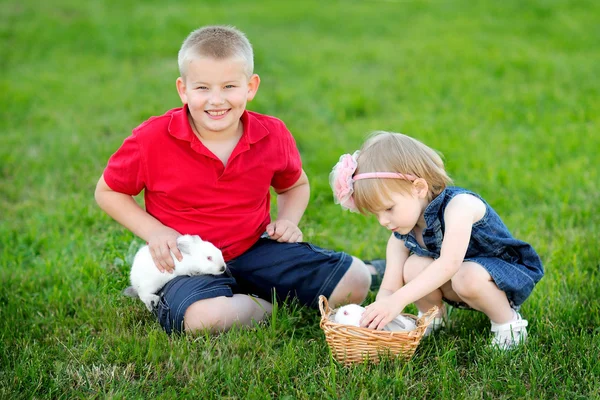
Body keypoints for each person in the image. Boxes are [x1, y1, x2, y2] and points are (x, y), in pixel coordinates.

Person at [95, 25, 378, 335]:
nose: (216, 100)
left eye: (229, 86)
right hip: (187, 265)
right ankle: (266, 303)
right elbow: (109, 192)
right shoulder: (152, 138)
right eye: (202, 88)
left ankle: (255, 290)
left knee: (355, 281)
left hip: (254, 249)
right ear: (183, 89)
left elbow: (295, 185)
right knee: (203, 319)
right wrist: (155, 231)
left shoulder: (272, 134)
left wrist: (288, 220)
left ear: (251, 86)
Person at [329, 131, 544, 349]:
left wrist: (398, 301)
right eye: (376, 214)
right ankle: (434, 318)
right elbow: (390, 288)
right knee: (412, 267)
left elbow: (449, 264)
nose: (383, 220)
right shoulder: (401, 237)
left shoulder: (459, 206)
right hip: (460, 281)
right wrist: (375, 314)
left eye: (388, 208)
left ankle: (508, 324)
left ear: (419, 188)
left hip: (502, 278)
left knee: (465, 275)